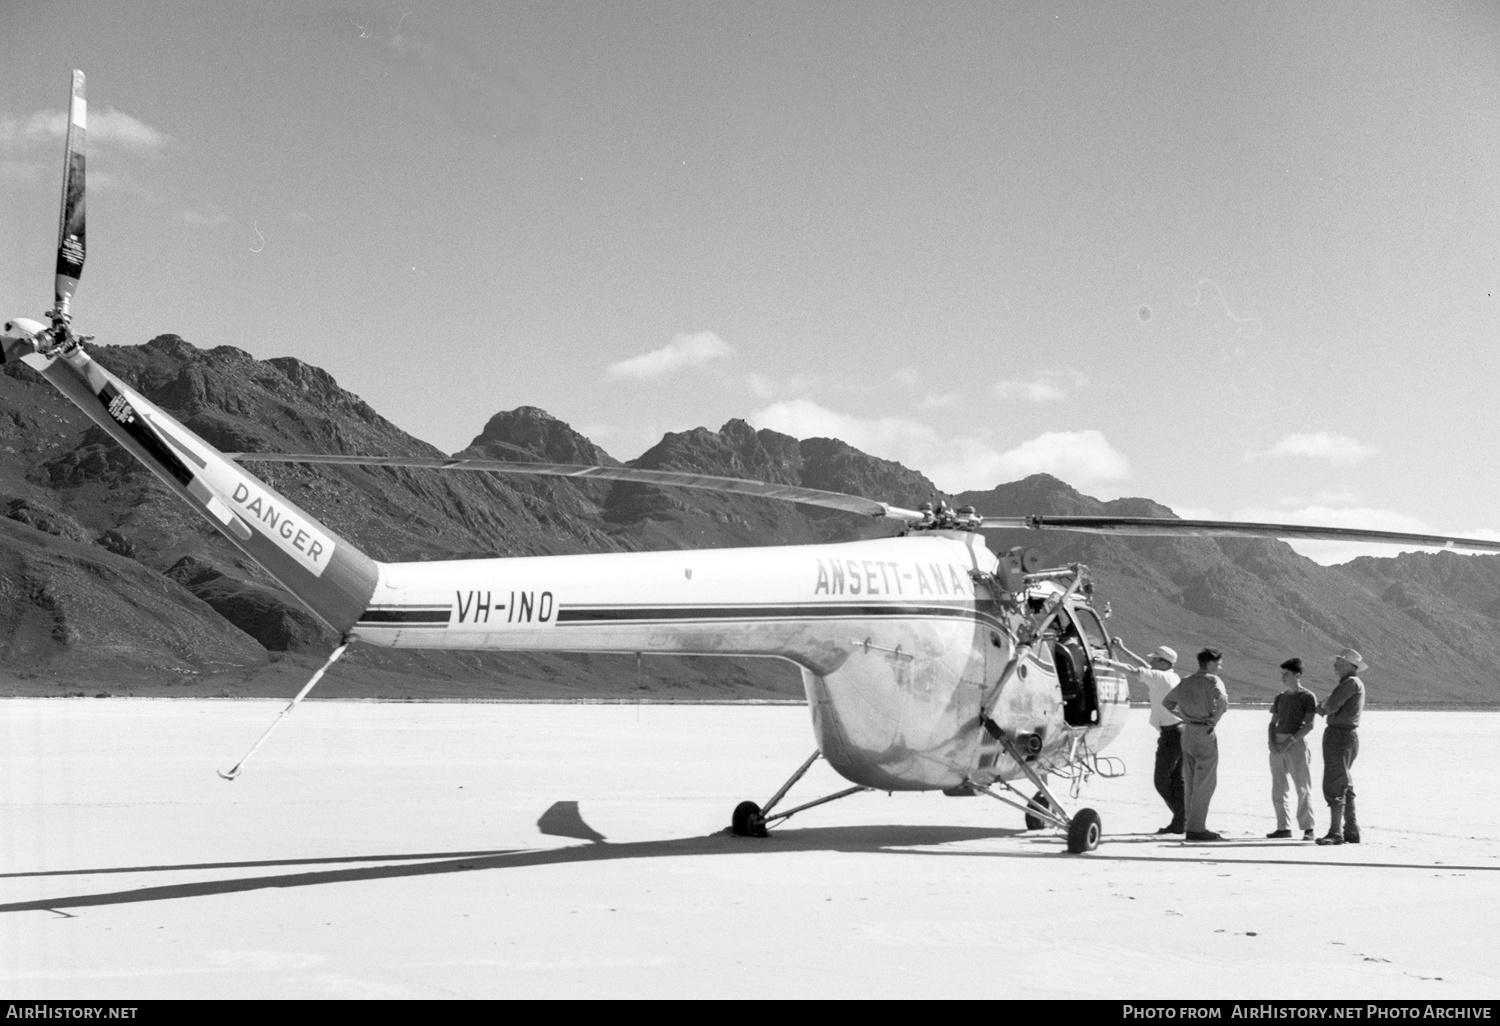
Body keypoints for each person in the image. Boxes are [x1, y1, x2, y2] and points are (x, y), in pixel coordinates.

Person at [1113, 637, 1184, 833]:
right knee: (1177, 780)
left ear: (1163, 663)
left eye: (1155, 660)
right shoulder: (1169, 676)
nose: (1151, 662)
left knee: (1162, 781)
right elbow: (1143, 665)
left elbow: (1134, 671)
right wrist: (1122, 648)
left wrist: (1104, 662)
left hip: (1172, 735)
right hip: (1179, 731)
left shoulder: (1160, 678)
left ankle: (1182, 817)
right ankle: (1181, 820)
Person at [1161, 648, 1230, 842]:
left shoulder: (1186, 681)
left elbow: (1167, 703)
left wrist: (1184, 717)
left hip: (1188, 732)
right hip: (1204, 732)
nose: (1220, 667)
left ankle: (1191, 825)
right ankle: (1197, 828)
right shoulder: (1213, 681)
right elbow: (1223, 702)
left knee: (1190, 781)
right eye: (1218, 664)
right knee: (1205, 782)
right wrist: (1213, 721)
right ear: (1209, 664)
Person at [1315, 647, 1367, 845]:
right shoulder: (1351, 683)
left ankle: (1336, 832)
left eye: (1339, 662)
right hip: (1344, 735)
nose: (1335, 665)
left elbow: (1330, 706)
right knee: (1343, 781)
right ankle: (1350, 829)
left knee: (1335, 781)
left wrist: (1323, 706)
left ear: (1349, 665)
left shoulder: (1351, 683)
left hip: (1340, 736)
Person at [1266, 657, 1317, 840]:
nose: (1282, 677)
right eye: (1282, 674)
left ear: (1297, 675)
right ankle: (1283, 827)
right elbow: (1273, 723)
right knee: (1278, 788)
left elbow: (1309, 725)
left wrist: (1290, 741)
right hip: (1277, 743)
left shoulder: (1307, 696)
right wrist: (1272, 743)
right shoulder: (1280, 697)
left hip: (1296, 744)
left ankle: (1308, 828)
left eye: (1286, 674)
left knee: (1302, 787)